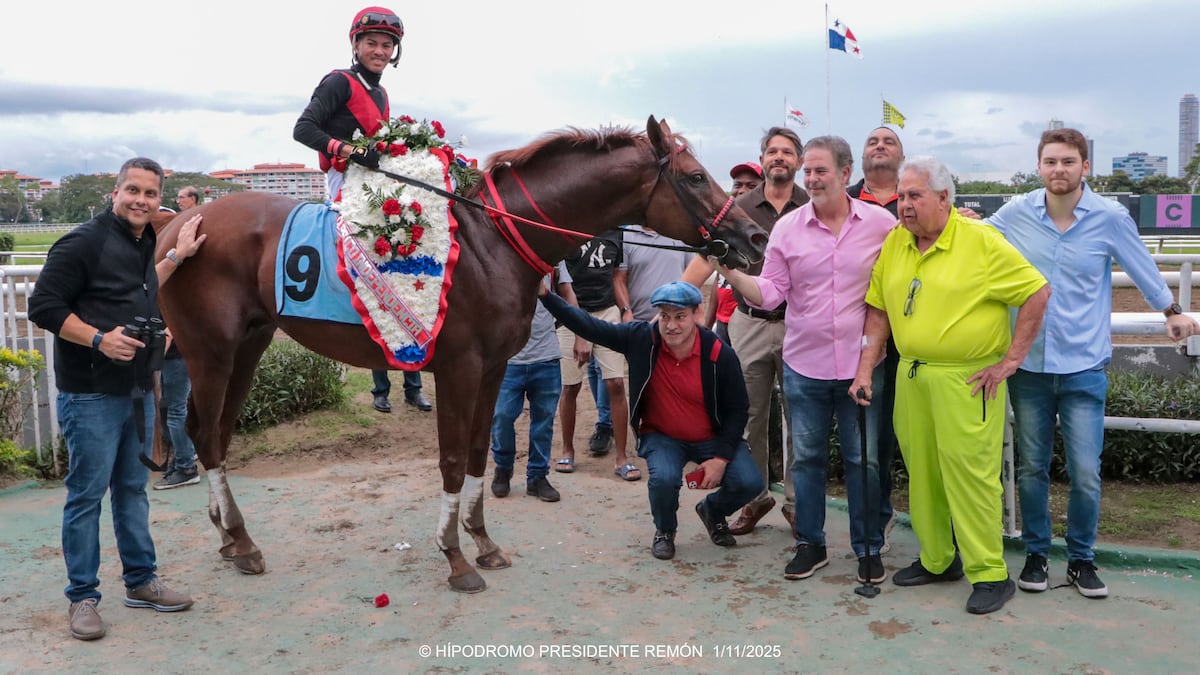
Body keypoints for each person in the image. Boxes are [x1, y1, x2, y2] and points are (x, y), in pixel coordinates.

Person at [983, 128, 1200, 599]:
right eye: (1050, 161)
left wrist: (1172, 312)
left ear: (1085, 166)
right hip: (1030, 368)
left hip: (1084, 367)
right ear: (1038, 167)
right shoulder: (1016, 214)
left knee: (1085, 471)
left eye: (1068, 161)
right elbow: (974, 243)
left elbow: (1141, 266)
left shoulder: (1109, 217)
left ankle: (1081, 558)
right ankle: (1037, 553)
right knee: (1031, 468)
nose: (1058, 169)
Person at [850, 156, 1050, 615]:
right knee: (923, 474)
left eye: (915, 196)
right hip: (912, 374)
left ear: (944, 198)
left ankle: (990, 573)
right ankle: (939, 560)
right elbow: (878, 309)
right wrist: (865, 370)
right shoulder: (897, 242)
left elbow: (1036, 292)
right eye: (901, 196)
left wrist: (1011, 361)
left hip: (967, 379)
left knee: (972, 477)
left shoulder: (980, 240)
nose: (904, 206)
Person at [28, 157, 205, 641]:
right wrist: (99, 338)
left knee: (132, 491)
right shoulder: (82, 242)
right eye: (133, 191)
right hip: (90, 394)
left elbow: (139, 287)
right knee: (86, 497)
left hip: (137, 390)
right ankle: (82, 597)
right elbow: (41, 306)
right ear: (116, 190)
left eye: (150, 194)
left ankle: (141, 581)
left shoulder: (145, 238)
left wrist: (176, 259)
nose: (141, 201)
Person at [719, 136, 894, 583]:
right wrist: (730, 272)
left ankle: (868, 548)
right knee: (808, 459)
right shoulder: (788, 228)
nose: (812, 179)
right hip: (805, 367)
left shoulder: (880, 225)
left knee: (866, 462)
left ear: (844, 173)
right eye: (809, 171)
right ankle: (810, 545)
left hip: (862, 370)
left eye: (820, 170)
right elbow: (773, 292)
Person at [539, 281, 763, 561]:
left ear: (696, 314)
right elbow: (590, 327)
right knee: (665, 479)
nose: (671, 325)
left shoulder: (719, 353)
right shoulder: (641, 338)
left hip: (712, 436)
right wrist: (545, 295)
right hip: (663, 435)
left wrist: (720, 458)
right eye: (665, 316)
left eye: (680, 316)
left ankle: (712, 510)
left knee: (750, 482)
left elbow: (738, 410)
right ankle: (665, 530)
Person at [291, 7, 432, 415]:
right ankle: (379, 385)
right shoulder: (339, 80)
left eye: (387, 45)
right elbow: (303, 128)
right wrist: (349, 150)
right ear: (356, 44)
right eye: (371, 42)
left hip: (374, 184)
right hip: (343, 182)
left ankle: (413, 378)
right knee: (375, 270)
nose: (379, 50)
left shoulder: (382, 93)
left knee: (407, 263)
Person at [725, 127, 810, 536]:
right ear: (762, 159)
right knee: (749, 417)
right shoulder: (738, 207)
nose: (780, 157)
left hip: (799, 324)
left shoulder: (812, 204)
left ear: (799, 160)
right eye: (773, 151)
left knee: (800, 418)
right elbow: (710, 259)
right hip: (750, 322)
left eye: (788, 152)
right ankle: (754, 497)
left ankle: (797, 503)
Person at [848, 126, 904, 551]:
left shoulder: (922, 195)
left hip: (921, 337)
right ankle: (876, 519)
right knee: (874, 439)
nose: (880, 146)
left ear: (902, 156)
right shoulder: (844, 200)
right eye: (872, 141)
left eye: (889, 141)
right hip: (867, 337)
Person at [554, 231, 636, 479]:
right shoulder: (570, 227)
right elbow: (561, 281)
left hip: (606, 311)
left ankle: (621, 457)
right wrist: (577, 327)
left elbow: (616, 277)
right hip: (571, 314)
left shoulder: (616, 234)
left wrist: (625, 310)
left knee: (616, 383)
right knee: (570, 386)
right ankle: (567, 450)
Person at [490, 271, 567, 503]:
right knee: (501, 416)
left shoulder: (554, 260)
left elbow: (567, 294)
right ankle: (503, 467)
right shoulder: (501, 255)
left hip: (546, 356)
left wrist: (580, 335)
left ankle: (537, 476)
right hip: (508, 358)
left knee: (543, 422)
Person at [701, 162, 763, 345]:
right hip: (723, 322)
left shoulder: (764, 231)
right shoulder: (725, 230)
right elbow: (719, 280)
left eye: (751, 186)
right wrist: (708, 324)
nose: (742, 190)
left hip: (750, 323)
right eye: (738, 185)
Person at [847, 127, 903, 217]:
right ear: (863, 157)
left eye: (889, 143)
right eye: (872, 143)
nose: (880, 146)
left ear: (902, 159)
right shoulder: (844, 200)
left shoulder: (918, 200)